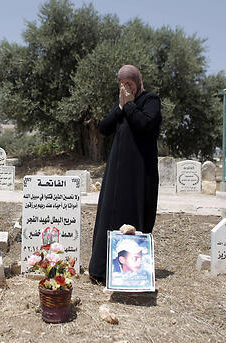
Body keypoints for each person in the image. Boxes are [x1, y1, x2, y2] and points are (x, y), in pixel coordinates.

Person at [89, 64, 161, 283]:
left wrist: (128, 106)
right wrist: (120, 107)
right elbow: (104, 127)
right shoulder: (122, 104)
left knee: (133, 214)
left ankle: (130, 275)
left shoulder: (151, 101)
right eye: (121, 84)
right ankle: (101, 270)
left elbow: (144, 124)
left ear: (138, 82)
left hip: (139, 173)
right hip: (116, 174)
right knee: (108, 217)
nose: (125, 88)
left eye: (129, 84)